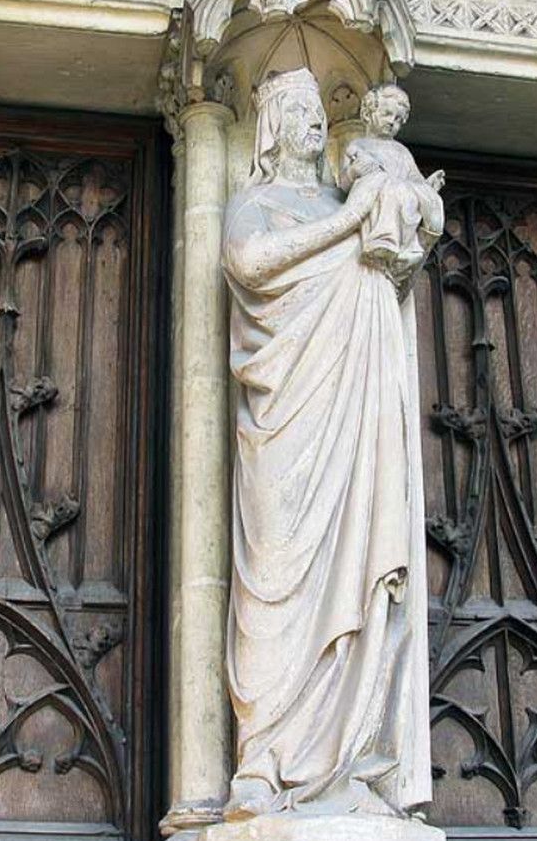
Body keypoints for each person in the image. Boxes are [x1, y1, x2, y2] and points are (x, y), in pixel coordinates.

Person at [220, 68, 441, 824]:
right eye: (301, 110)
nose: (315, 121)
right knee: (277, 570)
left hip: (356, 406)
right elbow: (248, 262)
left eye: (320, 110)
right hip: (286, 419)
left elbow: (392, 272)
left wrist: (406, 221)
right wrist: (350, 222)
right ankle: (262, 760)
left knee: (361, 564)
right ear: (273, 127)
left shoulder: (351, 195)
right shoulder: (257, 204)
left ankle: (351, 760)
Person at [339, 83, 444, 295]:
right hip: (376, 199)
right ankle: (383, 240)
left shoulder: (401, 151)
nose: (391, 122)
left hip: (403, 200)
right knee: (389, 188)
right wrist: (354, 171)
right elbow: (343, 185)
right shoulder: (358, 146)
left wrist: (428, 186)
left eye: (397, 119)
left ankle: (412, 247)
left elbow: (414, 179)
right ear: (368, 113)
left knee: (428, 199)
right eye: (386, 114)